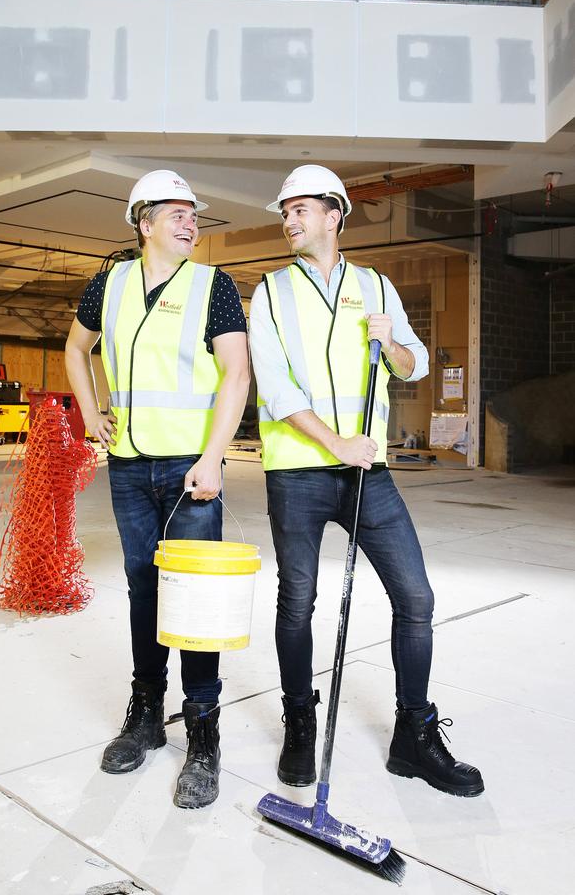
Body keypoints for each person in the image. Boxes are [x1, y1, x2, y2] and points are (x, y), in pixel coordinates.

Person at [249, 164, 483, 797]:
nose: (289, 220)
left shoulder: (377, 287)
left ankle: (414, 734)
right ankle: (300, 720)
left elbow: (415, 364)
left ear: (334, 214)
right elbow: (275, 387)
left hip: (368, 475)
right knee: (298, 600)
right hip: (298, 472)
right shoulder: (270, 291)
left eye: (300, 210)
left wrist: (394, 344)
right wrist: (335, 442)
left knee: (417, 599)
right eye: (285, 210)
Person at [65, 169, 249, 809]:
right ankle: (146, 714)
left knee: (194, 598)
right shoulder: (110, 283)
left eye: (193, 214)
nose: (189, 222)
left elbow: (236, 374)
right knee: (143, 585)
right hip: (128, 464)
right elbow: (75, 348)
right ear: (143, 223)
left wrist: (215, 457)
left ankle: (203, 735)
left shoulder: (213, 284)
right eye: (175, 213)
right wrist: (91, 414)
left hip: (189, 469)